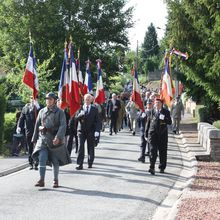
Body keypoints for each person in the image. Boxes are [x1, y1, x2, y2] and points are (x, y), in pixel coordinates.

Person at [32, 92, 71, 188]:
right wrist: (34, 138)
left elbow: (63, 126)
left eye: (50, 99)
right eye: (47, 99)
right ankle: (41, 180)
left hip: (54, 140)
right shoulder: (41, 111)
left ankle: (55, 180)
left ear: (54, 101)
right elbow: (37, 125)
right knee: (42, 159)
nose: (48, 101)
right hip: (43, 139)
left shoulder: (60, 112)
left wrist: (58, 137)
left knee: (55, 161)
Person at [145, 98, 172, 175]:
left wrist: (164, 118)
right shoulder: (152, 111)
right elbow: (148, 122)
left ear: (161, 104)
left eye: (158, 103)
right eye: (156, 103)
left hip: (162, 134)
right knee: (152, 151)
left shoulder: (166, 112)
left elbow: (169, 122)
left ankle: (162, 167)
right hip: (153, 134)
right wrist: (146, 133)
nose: (157, 104)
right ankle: (152, 167)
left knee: (162, 151)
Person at [75, 94, 101, 170]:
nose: (87, 101)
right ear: (84, 99)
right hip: (81, 131)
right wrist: (80, 115)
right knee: (80, 147)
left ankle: (90, 162)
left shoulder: (94, 109)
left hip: (91, 131)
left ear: (91, 100)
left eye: (89, 99)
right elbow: (75, 119)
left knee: (90, 147)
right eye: (86, 99)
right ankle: (79, 164)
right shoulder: (80, 108)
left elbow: (97, 121)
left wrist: (97, 131)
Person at [17, 97, 40, 169]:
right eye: (31, 98)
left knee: (37, 147)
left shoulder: (40, 107)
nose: (33, 100)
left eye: (35, 98)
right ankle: (30, 163)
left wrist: (38, 107)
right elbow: (21, 118)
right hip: (29, 131)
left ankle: (36, 163)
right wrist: (19, 126)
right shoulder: (25, 108)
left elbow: (43, 116)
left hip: (37, 131)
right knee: (29, 147)